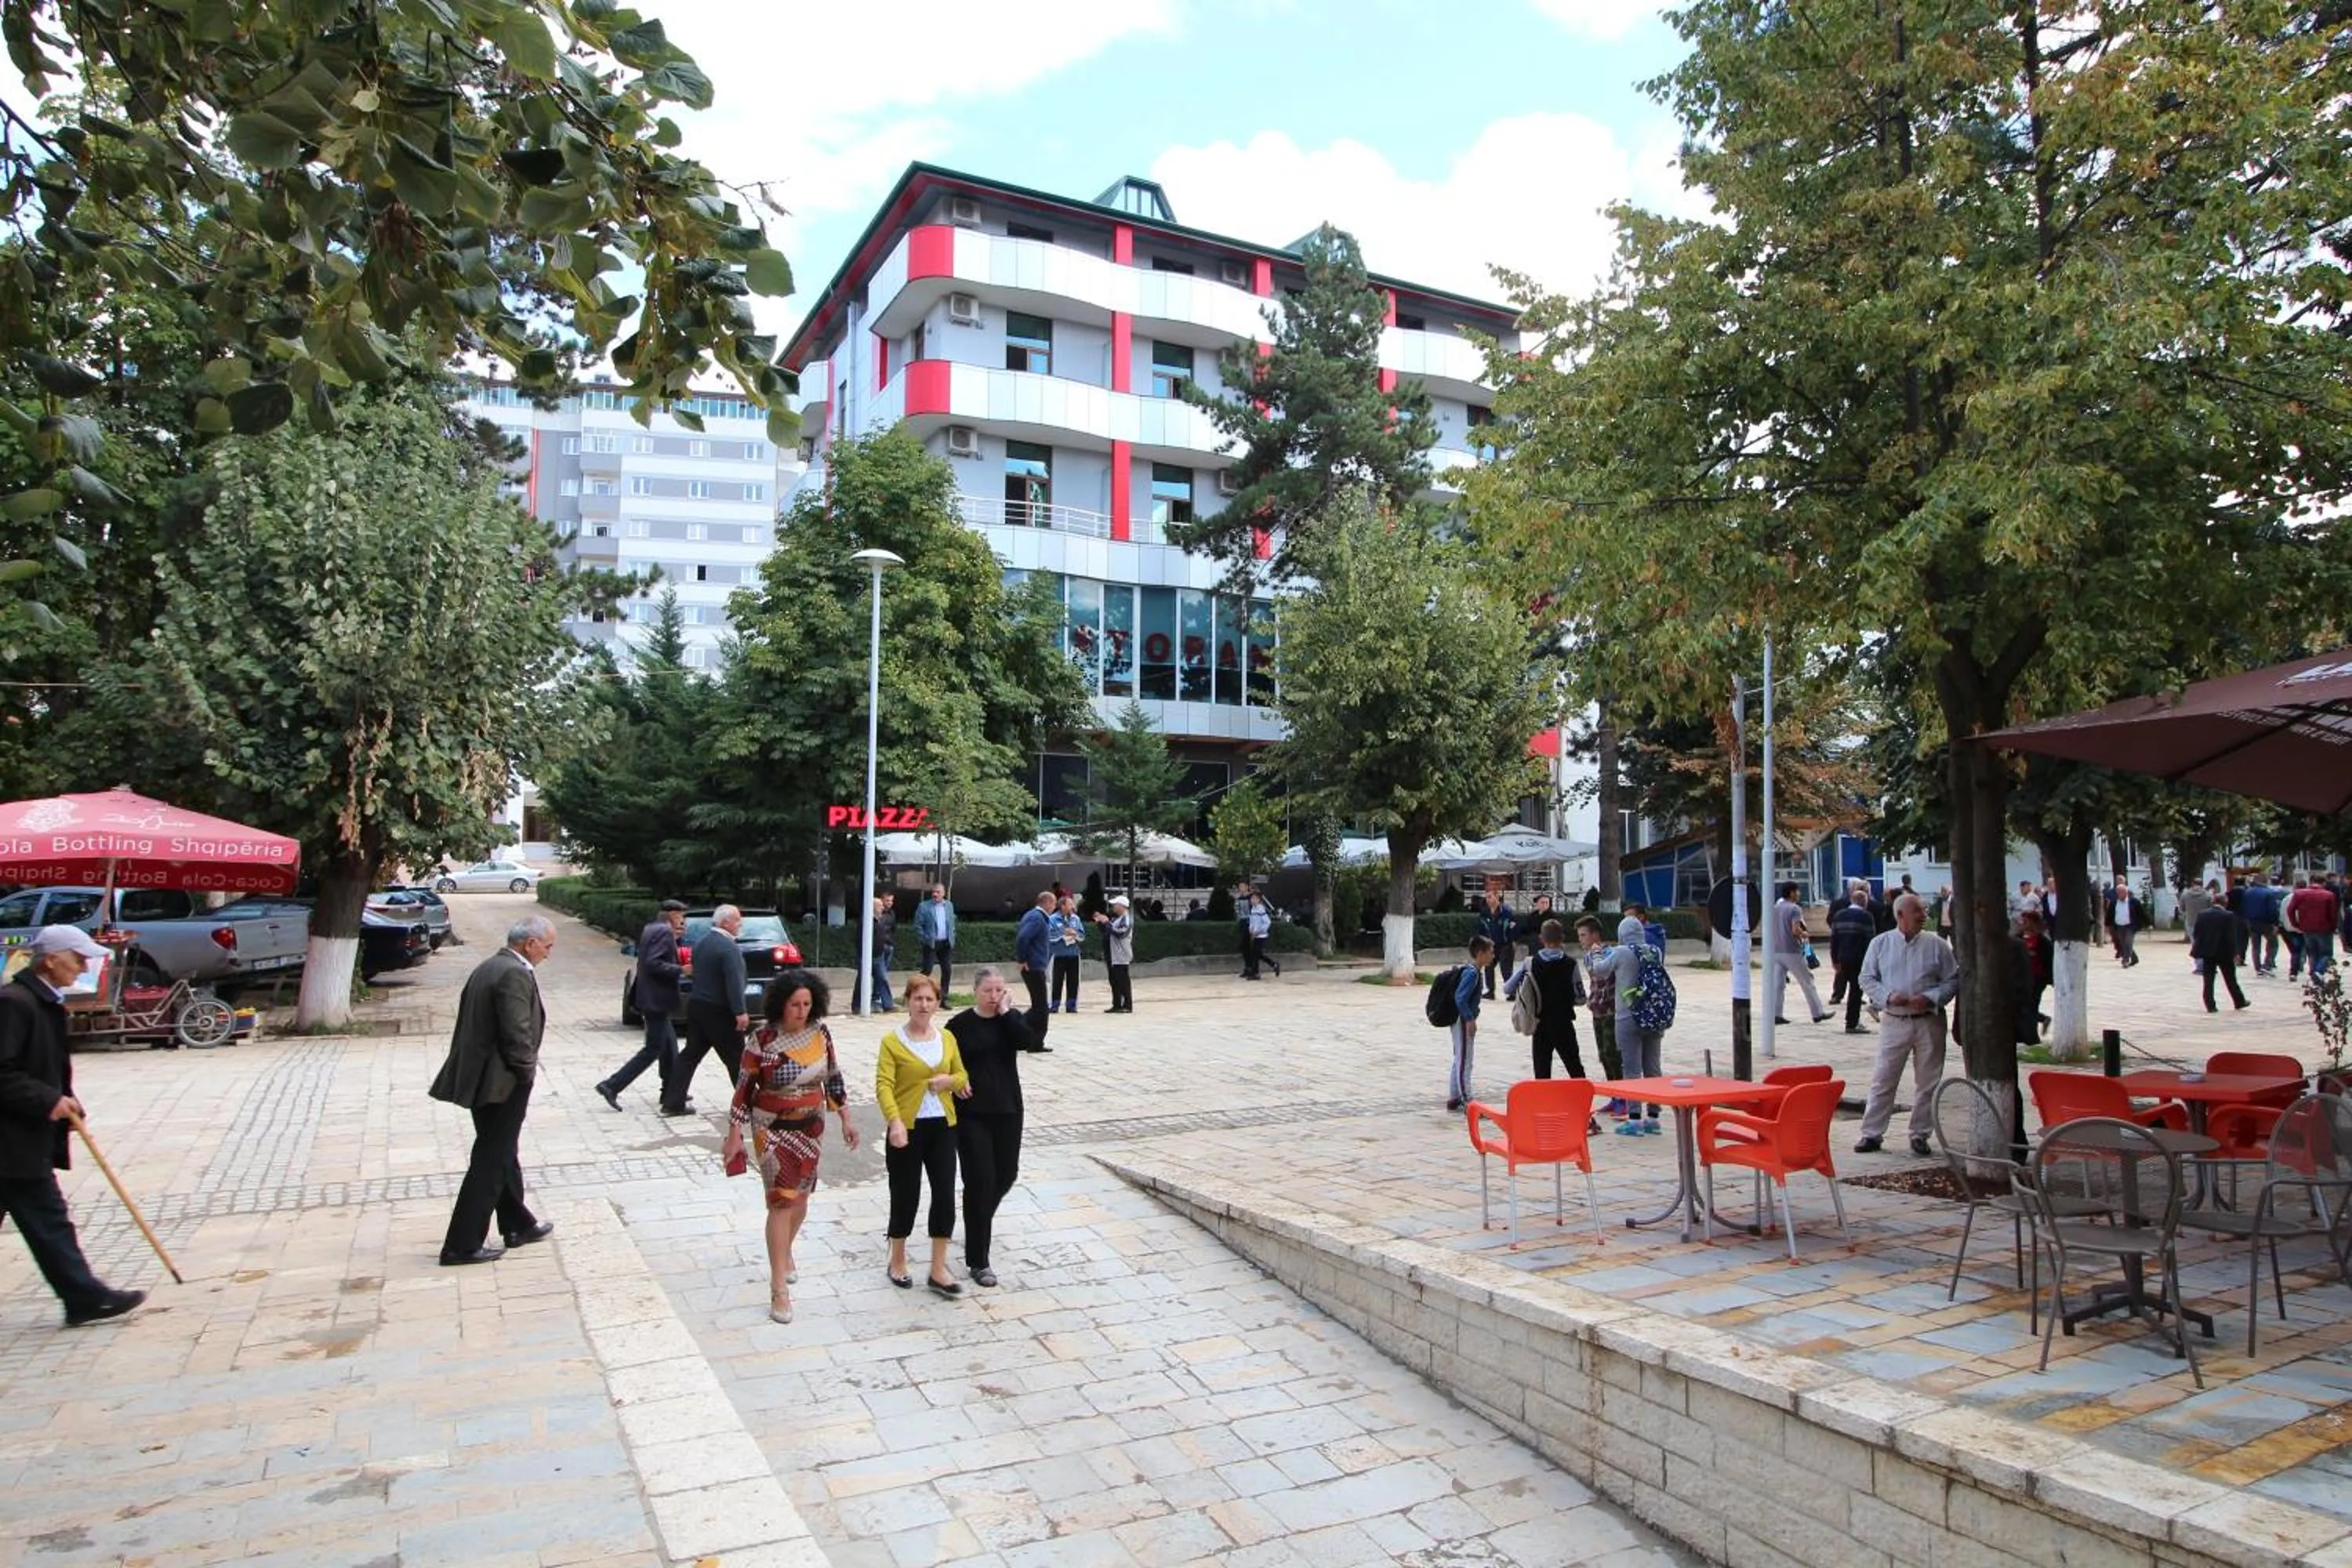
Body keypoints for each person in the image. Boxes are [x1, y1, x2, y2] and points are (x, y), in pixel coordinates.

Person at [0, 926, 147, 1325]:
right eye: (78, 958)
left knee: (48, 1220)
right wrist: (49, 1100)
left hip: (20, 1137)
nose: (83, 966)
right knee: (48, 1220)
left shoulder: (42, 1002)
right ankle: (84, 1297)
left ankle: (83, 1297)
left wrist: (65, 1098)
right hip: (11, 1142)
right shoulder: (16, 1003)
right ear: (51, 959)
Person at [720, 971, 857, 1323]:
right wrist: (734, 1132)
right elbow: (743, 1088)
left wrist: (845, 1116)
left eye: (807, 1004)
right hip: (771, 1126)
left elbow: (833, 1076)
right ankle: (778, 1285)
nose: (801, 1010)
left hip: (811, 1125)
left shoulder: (820, 1033)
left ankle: (785, 1251)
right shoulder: (761, 1039)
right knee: (781, 1200)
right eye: (795, 1004)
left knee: (802, 1198)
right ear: (781, 1003)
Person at [430, 916, 557, 1265]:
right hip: (501, 1082)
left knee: (502, 1152)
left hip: (484, 1078)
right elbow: (516, 1032)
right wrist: (527, 1071)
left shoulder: (489, 966)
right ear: (529, 943)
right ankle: (462, 1244)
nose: (548, 954)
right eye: (547, 947)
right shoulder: (513, 973)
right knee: (490, 1159)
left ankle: (518, 1224)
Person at [946, 967, 1045, 1287]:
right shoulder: (959, 1026)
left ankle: (977, 1220)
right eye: (988, 991)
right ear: (975, 991)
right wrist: (955, 1082)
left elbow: (1029, 1041)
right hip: (972, 1114)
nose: (994, 996)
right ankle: (979, 1260)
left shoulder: (1010, 1021)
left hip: (1008, 1110)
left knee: (1007, 1174)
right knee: (980, 1180)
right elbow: (945, 1062)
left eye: (999, 990)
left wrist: (1006, 1014)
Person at [875, 974, 968, 1297]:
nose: (924, 1005)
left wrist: (949, 1082)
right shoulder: (892, 1041)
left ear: (937, 1003)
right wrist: (895, 1121)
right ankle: (897, 1258)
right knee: (905, 1194)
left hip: (943, 1125)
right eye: (918, 999)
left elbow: (961, 1075)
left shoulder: (947, 1038)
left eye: (930, 999)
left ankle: (938, 1268)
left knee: (944, 1194)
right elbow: (884, 1085)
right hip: (908, 1128)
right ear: (908, 1002)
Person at [1855, 894, 1959, 1157]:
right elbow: (1866, 978)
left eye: (1924, 911)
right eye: (1918, 912)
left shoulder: (1937, 944)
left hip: (1929, 1020)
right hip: (1895, 1020)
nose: (1924, 916)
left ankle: (1920, 1134)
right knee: (1884, 1077)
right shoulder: (1881, 944)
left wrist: (1931, 997)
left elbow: (1953, 980)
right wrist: (1889, 997)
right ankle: (1871, 1133)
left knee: (1928, 1081)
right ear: (1900, 915)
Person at [598, 899, 687, 1110]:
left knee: (669, 1046)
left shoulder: (652, 928)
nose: (683, 920)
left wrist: (675, 942)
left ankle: (670, 1090)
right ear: (672, 915)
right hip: (656, 999)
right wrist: (682, 970)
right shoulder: (663, 932)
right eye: (681, 916)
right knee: (653, 1049)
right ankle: (612, 1085)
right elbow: (653, 963)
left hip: (652, 998)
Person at [666, 904, 747, 1115]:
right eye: (738, 920)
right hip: (720, 1010)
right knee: (737, 1058)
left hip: (698, 1005)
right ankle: (748, 1105)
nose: (741, 924)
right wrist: (740, 1011)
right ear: (725, 922)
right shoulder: (728, 947)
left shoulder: (702, 943)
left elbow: (696, 972)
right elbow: (734, 981)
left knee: (690, 1055)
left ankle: (673, 1101)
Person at [1504, 918, 1585, 1081]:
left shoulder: (1530, 963)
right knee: (1575, 1067)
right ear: (1562, 938)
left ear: (1541, 939)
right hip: (1564, 1023)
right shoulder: (1571, 964)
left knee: (1542, 1071)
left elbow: (1508, 988)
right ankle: (1582, 1101)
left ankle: (1544, 1104)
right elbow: (1580, 998)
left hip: (1540, 1024)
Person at [1606, 914, 1666, 1135]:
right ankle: (1653, 1117)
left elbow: (1600, 969)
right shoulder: (1655, 951)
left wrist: (1592, 956)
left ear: (1622, 934)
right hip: (1653, 1014)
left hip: (1628, 1017)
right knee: (1653, 1066)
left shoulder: (1621, 952)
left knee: (1631, 1069)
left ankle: (1634, 1120)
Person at [1769, 881, 1829, 1025]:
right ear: (1791, 893)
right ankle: (1817, 1013)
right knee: (1807, 981)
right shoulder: (1795, 909)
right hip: (1792, 950)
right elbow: (1795, 930)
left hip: (1775, 950)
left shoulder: (1774, 908)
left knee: (1778, 984)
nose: (1799, 894)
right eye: (1797, 891)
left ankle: (1776, 1014)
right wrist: (1804, 934)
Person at [1446, 935, 1493, 1113]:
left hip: (1459, 1019)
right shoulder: (1472, 973)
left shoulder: (1471, 970)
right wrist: (1469, 1019)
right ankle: (1467, 1100)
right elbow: (1460, 997)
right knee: (1465, 1059)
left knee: (1459, 1057)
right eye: (1490, 952)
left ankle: (1454, 1096)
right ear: (1480, 953)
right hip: (1462, 1020)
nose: (1492, 956)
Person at [1828, 885, 1877, 1035]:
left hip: (1842, 957)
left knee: (1847, 986)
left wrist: (1834, 959)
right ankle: (1852, 1023)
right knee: (1856, 992)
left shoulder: (1839, 915)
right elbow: (1871, 940)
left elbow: (1834, 939)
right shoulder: (1866, 917)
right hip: (1859, 959)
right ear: (1864, 901)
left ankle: (1851, 1019)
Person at [2192, 891, 2250, 1012]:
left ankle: (2210, 1005)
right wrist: (2236, 953)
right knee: (2230, 979)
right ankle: (2239, 1001)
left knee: (2208, 979)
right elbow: (2231, 937)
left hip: (2208, 951)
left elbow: (2197, 933)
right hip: (2224, 952)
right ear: (2225, 903)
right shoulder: (2228, 916)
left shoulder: (2203, 914)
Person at [1014, 891, 1054, 1038]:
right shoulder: (1037, 918)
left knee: (1039, 1006)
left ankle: (1034, 1039)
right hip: (1033, 966)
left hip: (1036, 965)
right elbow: (1023, 938)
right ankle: (1019, 1029)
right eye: (1054, 903)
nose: (1054, 907)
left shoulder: (1037, 916)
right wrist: (1022, 959)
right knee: (1041, 1007)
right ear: (1047, 902)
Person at [2287, 873, 2338, 981]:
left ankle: (2314, 973)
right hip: (2324, 927)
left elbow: (2290, 910)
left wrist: (2296, 923)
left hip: (2307, 927)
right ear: (2323, 883)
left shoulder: (2299, 894)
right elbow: (2332, 914)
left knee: (2312, 952)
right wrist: (2333, 927)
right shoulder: (2328, 895)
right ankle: (2318, 971)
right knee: (2326, 953)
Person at [2014, 906, 2053, 1042]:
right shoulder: (2018, 938)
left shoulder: (2043, 941)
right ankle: (2039, 1022)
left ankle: (2032, 1037)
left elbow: (2049, 960)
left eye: (2026, 921)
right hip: (2021, 978)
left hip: (2037, 979)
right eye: (2022, 921)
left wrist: (2050, 979)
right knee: (2022, 1006)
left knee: (2031, 1005)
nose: (2023, 923)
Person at [853, 893, 895, 1013]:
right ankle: (857, 1006)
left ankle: (888, 1005)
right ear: (872, 907)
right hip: (867, 956)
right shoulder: (866, 921)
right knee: (862, 980)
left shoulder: (879, 920)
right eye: (880, 906)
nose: (882, 908)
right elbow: (860, 939)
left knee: (882, 978)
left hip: (878, 955)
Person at [1094, 894, 1135, 1011]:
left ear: (1122, 906)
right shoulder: (1116, 919)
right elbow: (1107, 932)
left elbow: (1120, 933)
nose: (1113, 907)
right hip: (1112, 954)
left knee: (1123, 980)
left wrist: (1107, 923)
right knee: (1114, 980)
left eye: (1115, 905)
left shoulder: (1126, 919)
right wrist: (1101, 922)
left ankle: (1127, 1005)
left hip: (1121, 954)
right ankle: (1117, 1004)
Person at [914, 884, 956, 996]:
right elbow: (918, 925)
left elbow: (951, 923)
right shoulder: (924, 906)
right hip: (931, 943)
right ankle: (916, 992)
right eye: (933, 892)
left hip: (945, 943)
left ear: (943, 893)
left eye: (938, 892)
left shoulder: (949, 905)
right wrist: (924, 939)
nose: (935, 894)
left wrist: (952, 935)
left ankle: (943, 997)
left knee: (947, 970)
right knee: (927, 970)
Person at [1475, 887, 1517, 1000]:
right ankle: (1490, 991)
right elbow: (1481, 929)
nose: (1488, 900)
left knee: (1506, 969)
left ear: (1497, 897)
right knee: (1488, 966)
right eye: (1487, 897)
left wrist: (1512, 941)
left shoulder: (1507, 912)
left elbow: (1513, 928)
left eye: (1490, 897)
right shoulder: (1484, 913)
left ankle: (1512, 992)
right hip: (1491, 945)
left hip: (1505, 945)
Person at [1047, 892, 1085, 1011]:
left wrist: (1075, 934)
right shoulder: (1052, 919)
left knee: (1073, 982)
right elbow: (1049, 936)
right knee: (1056, 981)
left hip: (1073, 954)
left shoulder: (1076, 918)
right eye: (1070, 904)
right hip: (1058, 955)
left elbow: (1082, 935)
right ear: (1062, 906)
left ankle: (1071, 1005)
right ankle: (1054, 1005)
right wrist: (1063, 933)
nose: (1073, 906)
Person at [2246, 870, 2284, 975]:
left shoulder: (2248, 892)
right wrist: (2275, 924)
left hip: (2252, 921)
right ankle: (2267, 964)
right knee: (2273, 943)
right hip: (2266, 922)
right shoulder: (2269, 893)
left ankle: (2257, 967)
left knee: (2255, 945)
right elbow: (2272, 910)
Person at [2104, 876, 2143, 968]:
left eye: (2122, 892)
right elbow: (2110, 914)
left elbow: (2141, 913)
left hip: (2130, 926)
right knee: (2123, 943)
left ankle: (2125, 960)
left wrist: (2148, 924)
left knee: (2128, 942)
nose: (2120, 894)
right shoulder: (2114, 902)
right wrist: (2107, 925)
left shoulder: (2133, 901)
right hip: (2119, 925)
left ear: (2126, 893)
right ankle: (2134, 958)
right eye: (2119, 893)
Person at [1247, 890, 1281, 980]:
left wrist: (1258, 931)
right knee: (1257, 954)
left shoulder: (1261, 909)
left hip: (1261, 936)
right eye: (1252, 898)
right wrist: (1251, 930)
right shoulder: (1253, 909)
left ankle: (1256, 973)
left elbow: (1267, 923)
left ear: (1259, 900)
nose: (1252, 900)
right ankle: (1273, 965)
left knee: (1256, 954)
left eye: (1254, 898)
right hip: (1254, 935)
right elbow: (1252, 922)